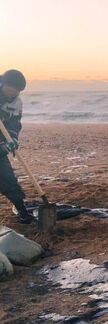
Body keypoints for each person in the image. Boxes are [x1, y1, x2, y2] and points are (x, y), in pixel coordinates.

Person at [0, 69, 34, 224]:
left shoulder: (16, 103)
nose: (14, 93)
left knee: (6, 177)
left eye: (18, 91)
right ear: (3, 84)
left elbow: (14, 124)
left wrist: (12, 139)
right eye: (11, 89)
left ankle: (22, 211)